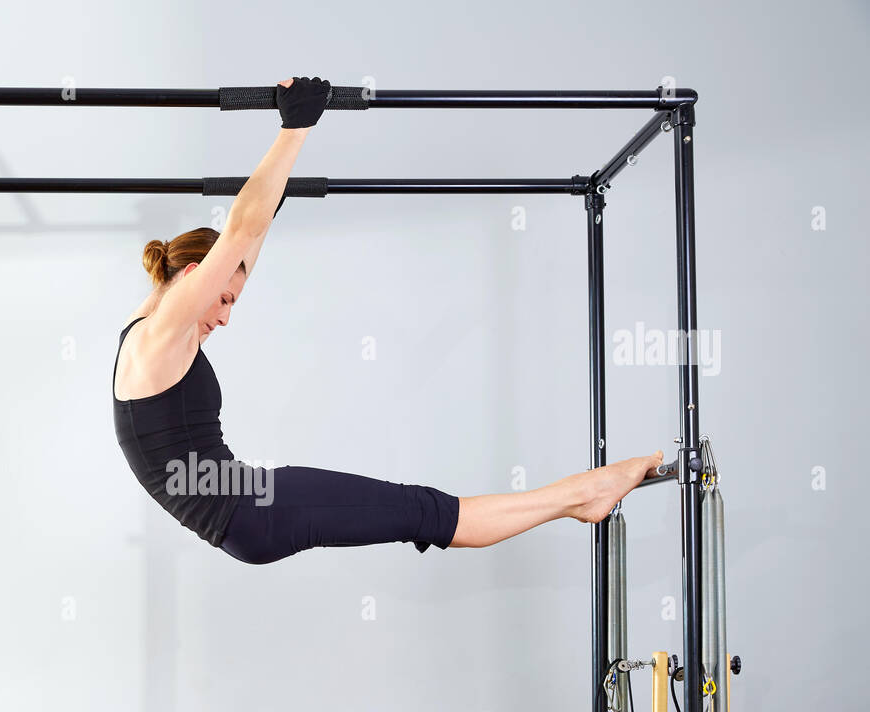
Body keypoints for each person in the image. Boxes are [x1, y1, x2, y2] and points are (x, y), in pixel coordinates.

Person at [113, 76, 662, 565]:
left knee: (418, 510)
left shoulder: (148, 332)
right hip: (253, 510)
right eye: (224, 299)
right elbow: (238, 232)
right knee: (422, 511)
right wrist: (295, 127)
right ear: (191, 276)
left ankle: (579, 495)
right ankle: (580, 496)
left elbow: (247, 236)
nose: (227, 318)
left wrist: (284, 158)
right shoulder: (160, 337)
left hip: (251, 508)